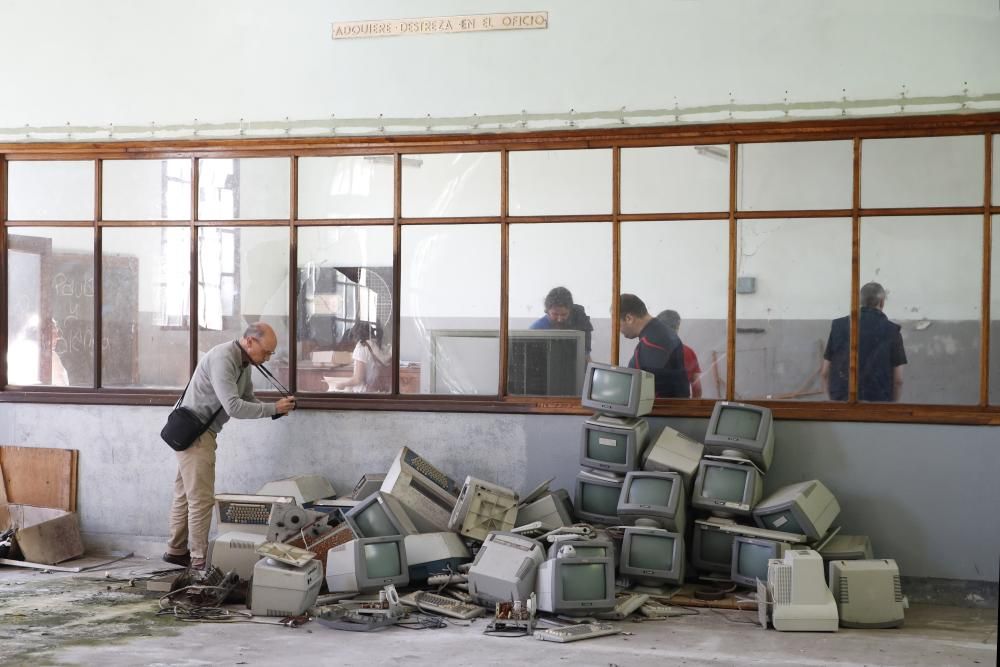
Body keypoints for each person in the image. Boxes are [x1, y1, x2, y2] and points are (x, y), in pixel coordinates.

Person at [164, 322, 296, 570]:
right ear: (249, 341)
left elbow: (248, 399)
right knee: (201, 500)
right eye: (266, 352)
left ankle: (175, 550)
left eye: (271, 354)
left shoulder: (244, 364)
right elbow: (233, 407)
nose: (267, 358)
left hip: (197, 432)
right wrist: (273, 408)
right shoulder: (224, 358)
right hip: (196, 434)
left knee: (184, 495)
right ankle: (199, 558)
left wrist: (276, 411)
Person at [821, 282, 906, 402]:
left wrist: (832, 403)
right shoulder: (892, 331)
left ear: (860, 301)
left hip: (842, 403)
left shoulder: (838, 326)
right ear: (881, 302)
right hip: (878, 404)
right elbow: (898, 380)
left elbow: (824, 373)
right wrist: (892, 408)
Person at [619, 294, 690, 398]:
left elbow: (647, 393)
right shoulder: (662, 332)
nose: (617, 329)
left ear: (629, 318)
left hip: (660, 411)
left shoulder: (651, 343)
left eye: (617, 323)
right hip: (674, 408)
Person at [529, 286, 594, 360]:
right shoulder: (537, 329)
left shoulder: (579, 319)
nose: (559, 319)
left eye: (564, 314)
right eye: (555, 314)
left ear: (570, 310)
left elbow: (585, 354)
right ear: (547, 311)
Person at [656, 309, 702, 398]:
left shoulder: (649, 351)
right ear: (677, 327)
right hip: (681, 406)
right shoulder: (689, 352)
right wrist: (693, 409)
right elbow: (697, 388)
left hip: (656, 407)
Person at [335, 322, 390, 393]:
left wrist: (342, 384)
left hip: (363, 392)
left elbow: (358, 379)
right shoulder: (376, 345)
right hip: (376, 390)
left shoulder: (361, 348)